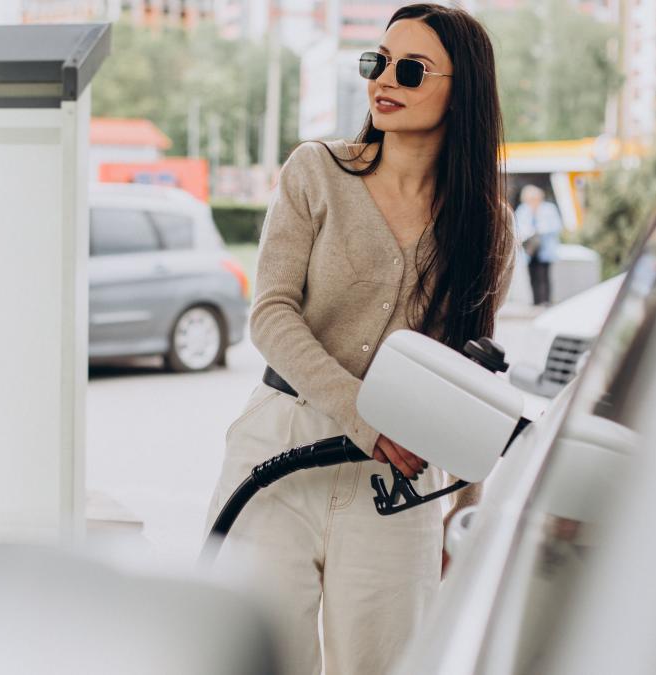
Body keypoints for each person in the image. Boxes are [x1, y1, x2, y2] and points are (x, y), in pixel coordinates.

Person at [204, 5, 515, 674]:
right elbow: (271, 314)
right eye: (377, 62)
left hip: (398, 483)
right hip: (280, 451)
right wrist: (361, 410)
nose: (384, 81)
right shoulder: (315, 172)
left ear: (463, 92)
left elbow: (473, 376)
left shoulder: (488, 226)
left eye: (410, 68)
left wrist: (464, 513)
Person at [514, 184, 563, 306]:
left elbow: (556, 226)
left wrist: (540, 230)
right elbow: (517, 227)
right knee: (532, 275)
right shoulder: (522, 209)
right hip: (530, 250)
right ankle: (536, 302)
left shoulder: (549, 208)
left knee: (544, 275)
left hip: (545, 249)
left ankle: (545, 301)